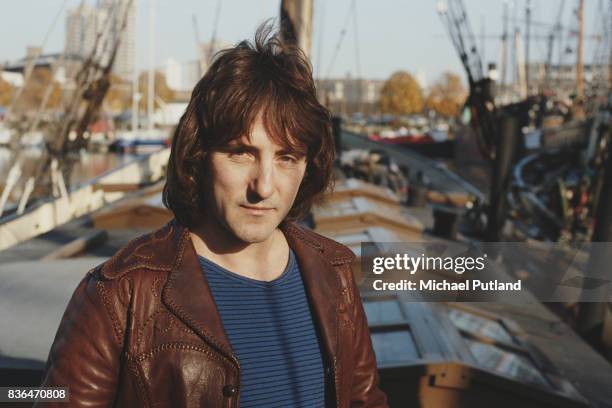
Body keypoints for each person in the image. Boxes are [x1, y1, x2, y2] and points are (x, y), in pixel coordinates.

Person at [38, 23, 388, 408]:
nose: (264, 186)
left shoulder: (335, 273)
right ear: (200, 155)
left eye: (286, 158)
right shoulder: (119, 294)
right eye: (241, 153)